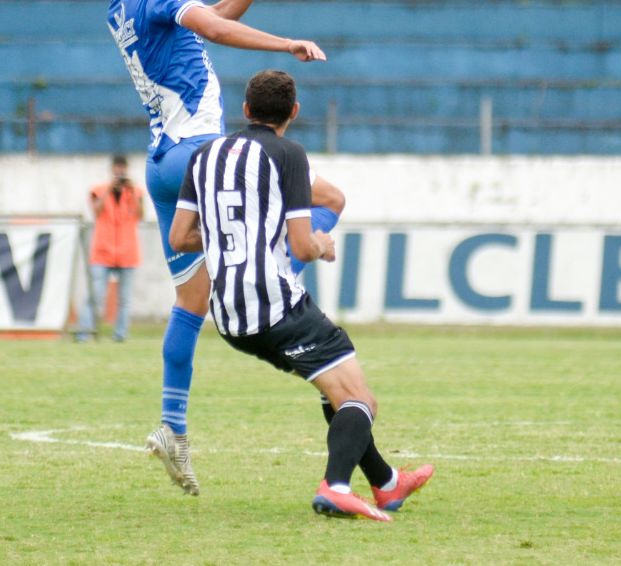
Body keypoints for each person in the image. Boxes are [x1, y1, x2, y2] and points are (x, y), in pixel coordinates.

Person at [91, 0, 345, 497]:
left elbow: (210, 21)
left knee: (191, 299)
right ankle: (281, 273)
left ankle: (172, 429)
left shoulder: (123, 3)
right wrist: (287, 43)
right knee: (328, 197)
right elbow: (217, 31)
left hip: (163, 163)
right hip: (202, 150)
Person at [169, 69, 433, 521]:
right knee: (359, 400)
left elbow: (180, 237)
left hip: (230, 314)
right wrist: (322, 245)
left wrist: (235, 239)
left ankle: (388, 483)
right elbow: (300, 245)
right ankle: (335, 486)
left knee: (336, 389)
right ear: (293, 112)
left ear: (246, 110)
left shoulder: (204, 155)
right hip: (273, 302)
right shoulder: (288, 154)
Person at [76, 154, 144, 342]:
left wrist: (129, 190)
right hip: (103, 251)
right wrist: (109, 190)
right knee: (95, 295)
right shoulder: (98, 190)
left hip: (128, 252)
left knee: (125, 299)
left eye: (122, 170)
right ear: (111, 170)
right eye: (117, 170)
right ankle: (84, 333)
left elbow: (141, 214)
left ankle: (120, 335)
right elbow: (96, 212)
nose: (119, 174)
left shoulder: (136, 191)